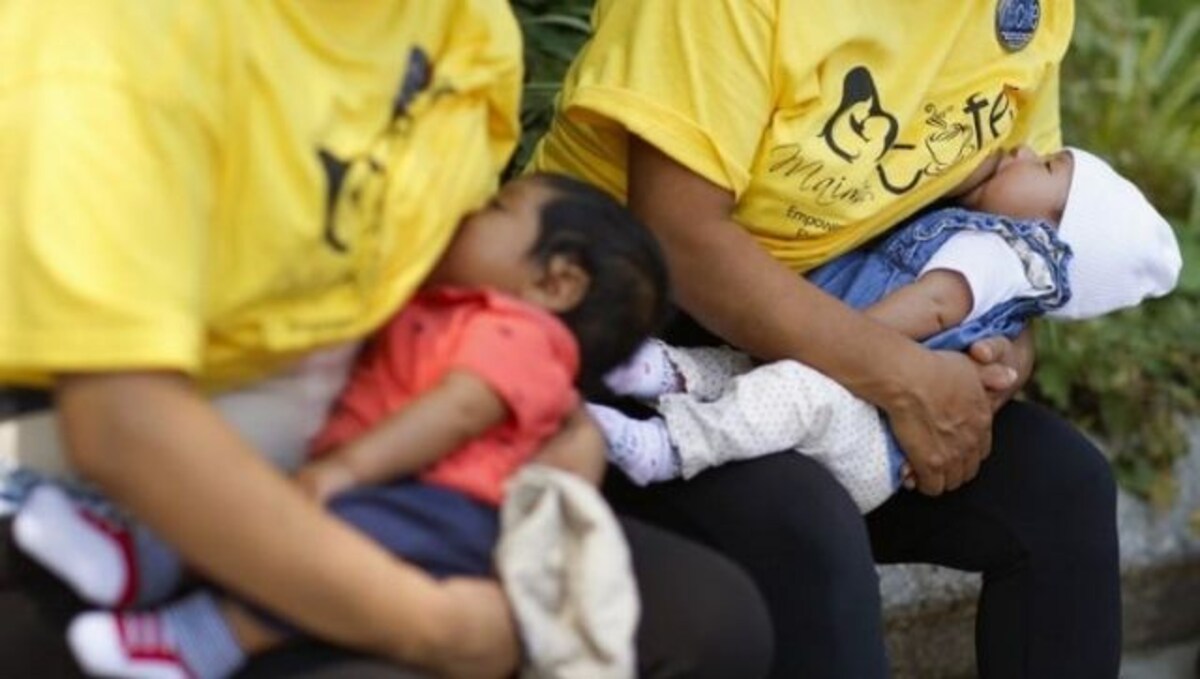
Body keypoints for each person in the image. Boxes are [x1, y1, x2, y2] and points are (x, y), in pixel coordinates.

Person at [0, 2, 773, 677]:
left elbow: (459, 289)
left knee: (711, 617)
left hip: (353, 428)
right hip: (80, 455)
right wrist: (433, 625)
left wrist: (554, 438)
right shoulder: (108, 40)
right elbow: (121, 426)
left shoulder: (464, 27)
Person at [529, 0, 1126, 676]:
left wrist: (998, 355)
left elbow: (1026, 230)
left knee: (1062, 488)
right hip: (627, 332)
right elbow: (680, 237)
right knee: (804, 528)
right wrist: (900, 373)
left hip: (855, 311)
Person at [11, 173, 669, 679]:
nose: (471, 209)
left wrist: (348, 467)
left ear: (557, 281)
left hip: (442, 507)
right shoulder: (465, 311)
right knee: (267, 515)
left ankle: (199, 639)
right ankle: (141, 558)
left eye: (497, 208)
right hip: (398, 480)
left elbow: (458, 410)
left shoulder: (520, 335)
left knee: (314, 545)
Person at [588, 145, 1181, 511]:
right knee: (767, 373)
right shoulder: (997, 242)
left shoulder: (995, 253)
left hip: (874, 434)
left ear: (1055, 227)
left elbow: (935, 307)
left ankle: (671, 445)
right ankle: (668, 371)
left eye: (1047, 165)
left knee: (794, 391)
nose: (1023, 150)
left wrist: (844, 338)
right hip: (870, 387)